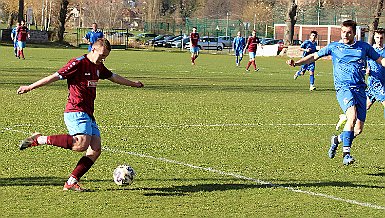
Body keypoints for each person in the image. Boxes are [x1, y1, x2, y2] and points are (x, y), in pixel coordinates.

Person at [17, 38, 144, 191]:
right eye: (101, 55)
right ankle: (40, 139)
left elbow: (114, 77)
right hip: (75, 110)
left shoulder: (98, 66)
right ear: (93, 49)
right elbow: (54, 76)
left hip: (89, 113)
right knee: (80, 145)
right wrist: (29, 87)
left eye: (106, 57)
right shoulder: (77, 63)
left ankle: (71, 182)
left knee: (95, 149)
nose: (103, 59)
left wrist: (133, 84)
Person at [286, 20, 385, 166]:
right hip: (344, 88)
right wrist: (297, 63)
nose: (345, 35)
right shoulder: (335, 47)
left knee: (357, 130)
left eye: (348, 32)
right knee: (351, 116)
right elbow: (314, 56)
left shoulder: (363, 47)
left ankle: (337, 139)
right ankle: (346, 154)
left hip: (360, 90)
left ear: (354, 33)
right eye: (343, 32)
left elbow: (380, 59)